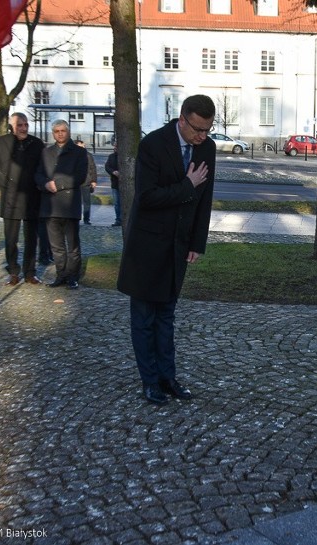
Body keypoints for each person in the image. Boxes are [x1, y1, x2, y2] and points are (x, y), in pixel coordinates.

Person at [117, 94, 216, 405]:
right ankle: (149, 381)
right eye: (198, 129)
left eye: (208, 130)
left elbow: (205, 199)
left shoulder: (207, 149)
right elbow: (146, 197)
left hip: (178, 245)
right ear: (182, 119)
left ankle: (168, 377)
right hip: (147, 246)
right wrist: (186, 186)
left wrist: (197, 243)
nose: (202, 137)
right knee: (144, 317)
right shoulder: (153, 145)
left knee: (167, 316)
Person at [0, 112, 45, 286]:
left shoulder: (36, 144)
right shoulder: (0, 144)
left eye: (25, 125)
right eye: (19, 125)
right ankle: (13, 271)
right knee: (11, 238)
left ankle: (30, 272)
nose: (23, 128)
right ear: (12, 126)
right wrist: (8, 187)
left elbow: (42, 169)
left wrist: (38, 186)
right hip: (11, 198)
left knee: (31, 238)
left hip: (31, 198)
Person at [35, 120, 88, 289]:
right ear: (53, 133)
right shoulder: (46, 153)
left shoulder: (79, 153)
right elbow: (38, 174)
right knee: (56, 246)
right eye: (56, 131)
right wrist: (44, 184)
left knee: (72, 246)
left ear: (68, 132)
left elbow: (79, 176)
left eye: (63, 130)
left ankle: (73, 276)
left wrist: (57, 184)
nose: (60, 133)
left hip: (69, 204)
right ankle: (61, 274)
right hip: (50, 206)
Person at [75, 139, 98, 225]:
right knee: (75, 202)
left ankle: (86, 219)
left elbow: (93, 168)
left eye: (84, 146)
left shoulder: (88, 155)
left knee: (86, 202)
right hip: (75, 182)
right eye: (81, 146)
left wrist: (94, 180)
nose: (83, 147)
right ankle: (76, 219)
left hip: (86, 181)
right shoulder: (72, 155)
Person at [105, 145, 122, 226]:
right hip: (115, 183)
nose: (115, 148)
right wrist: (113, 172)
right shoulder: (111, 156)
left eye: (116, 146)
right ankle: (118, 219)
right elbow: (107, 166)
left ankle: (124, 219)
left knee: (123, 203)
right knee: (116, 203)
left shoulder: (124, 156)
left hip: (124, 184)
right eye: (115, 147)